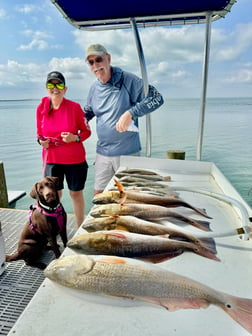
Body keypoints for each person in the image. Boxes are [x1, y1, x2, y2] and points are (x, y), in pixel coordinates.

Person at [84, 44, 164, 195]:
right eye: (91, 62)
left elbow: (157, 98)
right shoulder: (94, 88)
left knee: (129, 197)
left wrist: (131, 113)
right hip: (102, 153)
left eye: (99, 59)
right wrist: (81, 119)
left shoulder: (128, 80)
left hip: (128, 154)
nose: (95, 65)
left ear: (108, 58)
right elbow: (89, 111)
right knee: (99, 197)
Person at [36, 71, 91, 227]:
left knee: (75, 193)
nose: (55, 88)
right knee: (54, 195)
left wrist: (75, 137)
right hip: (52, 160)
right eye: (51, 85)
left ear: (65, 88)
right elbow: (39, 135)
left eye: (59, 84)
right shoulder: (41, 108)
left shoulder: (74, 107)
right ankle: (56, 226)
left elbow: (87, 131)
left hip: (74, 159)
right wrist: (42, 142)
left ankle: (80, 226)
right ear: (47, 88)